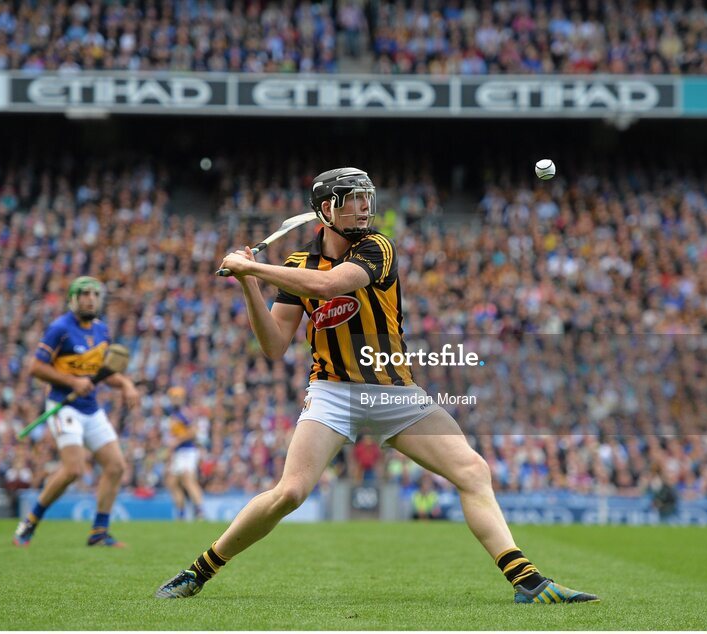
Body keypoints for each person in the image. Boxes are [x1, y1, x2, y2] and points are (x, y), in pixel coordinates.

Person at [155, 168, 599, 605]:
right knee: (289, 493)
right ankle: (198, 571)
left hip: (395, 392)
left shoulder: (377, 246)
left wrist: (258, 267)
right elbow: (273, 345)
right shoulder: (296, 265)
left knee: (472, 470)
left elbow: (330, 286)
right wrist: (249, 281)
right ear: (327, 209)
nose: (366, 207)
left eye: (368, 197)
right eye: (354, 199)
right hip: (332, 393)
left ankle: (528, 582)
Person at [13, 276, 139, 547]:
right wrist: (72, 381)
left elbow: (103, 374)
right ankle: (29, 522)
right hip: (63, 406)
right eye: (83, 294)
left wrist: (126, 384)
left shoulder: (102, 331)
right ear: (72, 298)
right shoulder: (60, 328)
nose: (90, 298)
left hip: (91, 408)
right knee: (73, 469)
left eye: (94, 293)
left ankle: (99, 532)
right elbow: (35, 367)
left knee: (116, 466)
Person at [164, 386, 205, 521]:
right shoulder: (173, 414)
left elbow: (193, 431)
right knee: (172, 482)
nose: (174, 400)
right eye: (173, 397)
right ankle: (181, 513)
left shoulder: (184, 413)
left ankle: (199, 510)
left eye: (177, 397)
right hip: (178, 452)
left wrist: (177, 441)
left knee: (188, 479)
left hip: (187, 450)